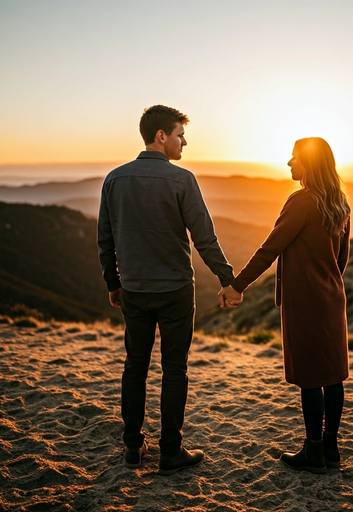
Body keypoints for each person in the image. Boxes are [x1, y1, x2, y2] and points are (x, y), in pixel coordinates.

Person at [98, 105, 235, 474]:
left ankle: (132, 446)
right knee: (175, 369)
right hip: (174, 290)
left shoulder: (113, 179)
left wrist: (114, 283)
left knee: (134, 367)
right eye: (179, 135)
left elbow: (105, 239)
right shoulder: (182, 180)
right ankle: (170, 452)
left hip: (134, 290)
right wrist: (228, 279)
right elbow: (204, 238)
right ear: (161, 136)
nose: (184, 142)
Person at [220, 137, 351, 474]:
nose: (289, 163)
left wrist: (237, 285)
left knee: (310, 377)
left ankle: (313, 452)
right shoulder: (340, 203)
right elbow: (342, 259)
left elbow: (269, 248)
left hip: (306, 303)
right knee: (332, 376)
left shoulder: (302, 201)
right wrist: (326, 282)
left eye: (295, 158)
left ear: (309, 164)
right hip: (332, 299)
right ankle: (331, 448)